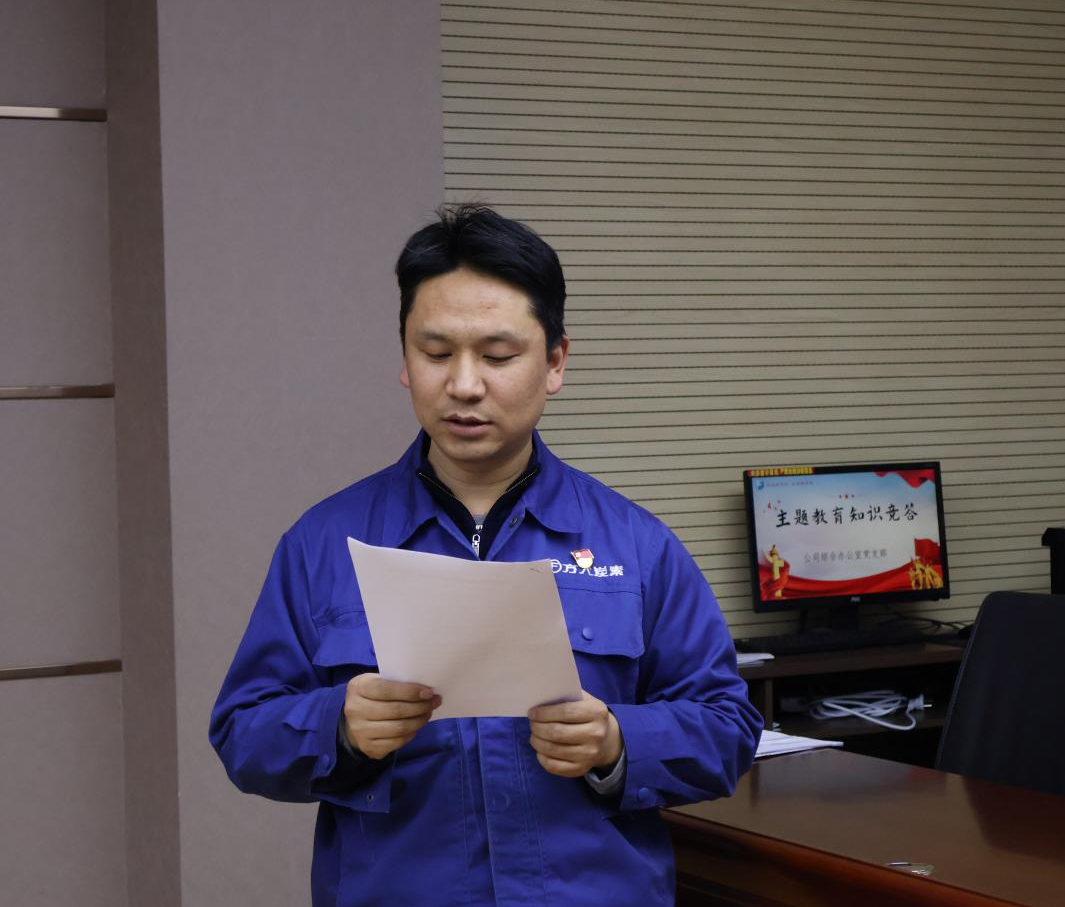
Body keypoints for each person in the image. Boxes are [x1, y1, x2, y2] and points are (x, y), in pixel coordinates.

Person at [209, 204, 762, 907]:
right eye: (436, 353)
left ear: (555, 361)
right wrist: (338, 726)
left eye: (497, 356)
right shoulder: (324, 543)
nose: (464, 384)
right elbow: (242, 731)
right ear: (404, 360)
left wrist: (618, 739)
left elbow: (728, 727)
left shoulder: (636, 544)